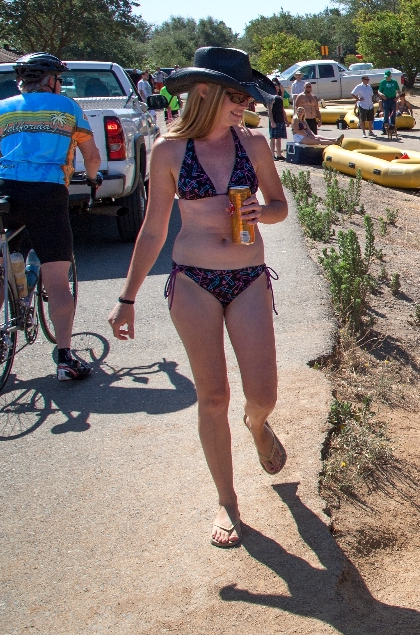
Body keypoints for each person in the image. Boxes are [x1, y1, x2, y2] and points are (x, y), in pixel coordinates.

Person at [106, 47, 289, 549]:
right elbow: (152, 229)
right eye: (236, 97)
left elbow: (280, 207)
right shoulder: (167, 150)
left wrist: (261, 213)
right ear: (204, 93)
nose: (244, 107)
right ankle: (227, 502)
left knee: (262, 395)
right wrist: (127, 298)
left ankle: (257, 426)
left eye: (247, 98)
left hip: (248, 277)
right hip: (192, 282)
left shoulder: (252, 143)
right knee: (212, 397)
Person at [0, 52, 102, 380]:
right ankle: (65, 358)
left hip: (7, 190)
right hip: (48, 192)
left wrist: (5, 169)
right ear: (50, 80)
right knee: (57, 280)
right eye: (59, 78)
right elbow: (92, 155)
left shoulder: (1, 108)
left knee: (2, 266)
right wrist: (92, 176)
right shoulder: (68, 107)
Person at [268, 80, 288, 160]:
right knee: (273, 138)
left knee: (279, 138)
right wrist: (272, 121)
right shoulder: (270, 98)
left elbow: (282, 109)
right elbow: (269, 111)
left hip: (280, 120)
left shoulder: (280, 98)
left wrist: (286, 119)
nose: (277, 90)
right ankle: (272, 155)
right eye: (275, 88)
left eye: (277, 88)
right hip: (274, 121)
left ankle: (279, 154)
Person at [377, 70, 401, 134]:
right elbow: (379, 91)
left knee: (393, 115)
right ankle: (384, 130)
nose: (387, 78)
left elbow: (399, 91)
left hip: (393, 100)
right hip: (386, 100)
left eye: (388, 77)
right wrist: (381, 95)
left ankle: (392, 129)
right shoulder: (383, 82)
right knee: (386, 115)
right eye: (386, 77)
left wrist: (397, 97)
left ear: (391, 76)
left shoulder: (394, 82)